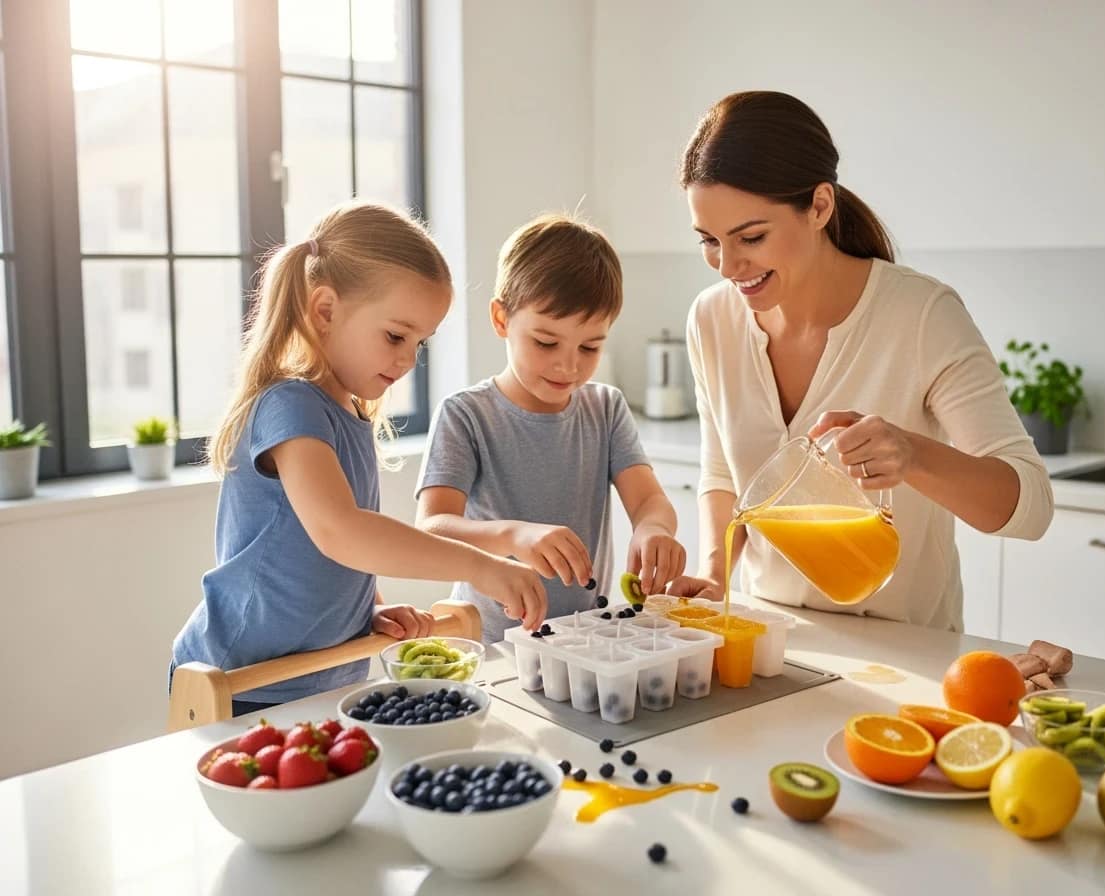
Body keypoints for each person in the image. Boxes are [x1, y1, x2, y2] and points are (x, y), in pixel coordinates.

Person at [667, 91, 1053, 631]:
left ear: (820, 206)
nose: (728, 265)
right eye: (709, 240)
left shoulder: (920, 315)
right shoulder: (712, 320)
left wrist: (913, 455)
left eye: (750, 237)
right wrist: (715, 572)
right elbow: (723, 475)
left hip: (906, 656)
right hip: (771, 640)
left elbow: (1030, 507)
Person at [171, 201, 546, 714]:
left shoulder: (348, 413)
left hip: (317, 675)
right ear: (325, 310)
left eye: (419, 342)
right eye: (395, 335)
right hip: (238, 681)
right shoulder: (290, 405)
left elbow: (318, 556)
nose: (407, 358)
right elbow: (340, 532)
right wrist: (479, 567)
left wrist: (370, 609)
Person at [416, 213, 687, 644]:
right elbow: (432, 527)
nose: (569, 364)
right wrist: (513, 534)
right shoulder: (466, 415)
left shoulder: (605, 407)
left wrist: (654, 529)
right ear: (501, 320)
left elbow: (649, 499)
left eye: (590, 346)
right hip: (491, 646)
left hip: (583, 641)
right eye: (546, 342)